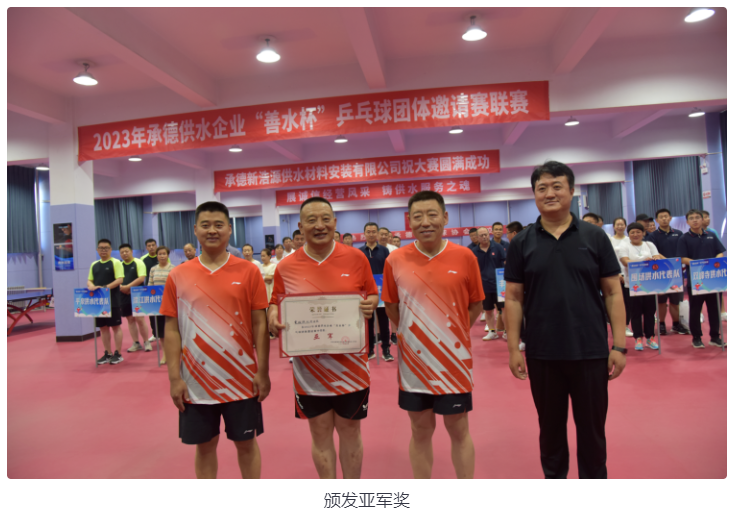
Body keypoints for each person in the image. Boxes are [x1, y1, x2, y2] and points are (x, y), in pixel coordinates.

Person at [504, 161, 626, 479]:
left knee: (593, 433)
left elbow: (613, 292)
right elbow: (513, 298)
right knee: (550, 432)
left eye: (557, 186)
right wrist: (514, 348)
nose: (550, 193)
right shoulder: (521, 242)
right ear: (534, 194)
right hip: (543, 353)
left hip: (590, 351)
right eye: (542, 188)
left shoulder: (595, 236)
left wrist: (619, 346)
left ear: (572, 191)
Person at [268, 197, 378, 479]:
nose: (319, 225)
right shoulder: (286, 266)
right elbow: (275, 302)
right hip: (309, 371)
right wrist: (272, 314)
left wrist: (370, 304)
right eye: (311, 220)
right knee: (319, 432)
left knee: (350, 430)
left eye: (325, 219)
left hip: (351, 367)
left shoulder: (356, 258)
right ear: (300, 226)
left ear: (335, 223)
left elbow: (372, 294)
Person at [160, 201, 270, 479]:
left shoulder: (249, 271)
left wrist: (263, 371)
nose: (212, 230)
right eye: (205, 225)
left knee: (246, 444)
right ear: (195, 229)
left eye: (219, 225)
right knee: (205, 447)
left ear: (229, 230)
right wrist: (174, 378)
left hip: (242, 380)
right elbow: (171, 329)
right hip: (196, 382)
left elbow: (260, 324)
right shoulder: (178, 274)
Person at [382, 190, 483, 479]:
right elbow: (391, 307)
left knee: (459, 429)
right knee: (420, 429)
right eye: (418, 216)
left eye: (432, 214)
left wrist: (452, 333)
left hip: (454, 363)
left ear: (445, 217)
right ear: (409, 222)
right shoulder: (395, 260)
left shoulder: (465, 256)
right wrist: (416, 334)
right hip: (413, 365)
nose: (425, 222)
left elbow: (475, 304)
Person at [677, 209, 726, 348]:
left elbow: (720, 253)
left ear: (702, 219)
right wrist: (699, 264)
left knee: (714, 309)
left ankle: (715, 337)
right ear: (687, 222)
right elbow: (682, 258)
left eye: (697, 217)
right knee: (695, 310)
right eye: (692, 218)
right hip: (696, 280)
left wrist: (714, 262)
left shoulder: (711, 235)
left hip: (713, 279)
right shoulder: (684, 238)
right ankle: (696, 338)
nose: (695, 220)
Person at [618, 223, 662, 351]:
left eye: (638, 232)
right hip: (632, 285)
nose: (635, 234)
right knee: (635, 313)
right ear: (629, 234)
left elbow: (657, 258)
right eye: (632, 232)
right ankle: (638, 338)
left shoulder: (649, 245)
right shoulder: (624, 246)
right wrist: (644, 261)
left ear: (643, 233)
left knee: (650, 312)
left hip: (649, 284)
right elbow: (625, 262)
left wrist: (653, 259)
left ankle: (650, 337)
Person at [649, 209, 689, 335]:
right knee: (661, 301)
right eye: (661, 217)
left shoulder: (679, 233)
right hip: (660, 272)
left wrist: (675, 263)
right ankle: (661, 324)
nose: (664, 219)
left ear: (670, 218)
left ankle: (676, 324)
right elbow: (654, 252)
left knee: (675, 301)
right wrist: (668, 262)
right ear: (657, 220)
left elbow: (682, 250)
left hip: (676, 271)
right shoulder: (653, 235)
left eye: (666, 216)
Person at [359, 222, 394, 361]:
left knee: (384, 321)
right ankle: (370, 350)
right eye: (368, 231)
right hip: (366, 292)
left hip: (381, 291)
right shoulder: (359, 251)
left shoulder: (384, 251)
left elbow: (389, 270)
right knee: (368, 322)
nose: (371, 234)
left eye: (374, 231)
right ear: (364, 234)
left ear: (377, 234)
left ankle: (386, 349)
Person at [88, 239, 125, 365]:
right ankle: (108, 353)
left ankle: (118, 354)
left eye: (106, 248)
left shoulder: (116, 262)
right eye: (101, 248)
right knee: (103, 328)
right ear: (97, 250)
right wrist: (91, 286)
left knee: (115, 327)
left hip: (113, 301)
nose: (103, 250)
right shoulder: (94, 264)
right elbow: (90, 280)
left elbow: (120, 280)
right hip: (99, 302)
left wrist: (105, 288)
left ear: (110, 249)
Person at [118, 243, 152, 353]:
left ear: (131, 252)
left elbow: (141, 278)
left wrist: (128, 287)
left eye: (126, 251)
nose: (124, 254)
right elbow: (116, 279)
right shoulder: (119, 265)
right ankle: (136, 343)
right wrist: (122, 288)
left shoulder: (138, 262)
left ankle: (146, 342)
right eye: (122, 252)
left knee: (140, 319)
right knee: (130, 319)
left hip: (137, 295)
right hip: (123, 295)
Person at [472, 227, 505, 341]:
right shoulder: (474, 252)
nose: (484, 237)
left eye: (486, 234)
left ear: (489, 234)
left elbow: (505, 263)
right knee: (488, 310)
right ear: (477, 237)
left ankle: (507, 331)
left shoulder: (498, 247)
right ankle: (492, 332)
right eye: (481, 235)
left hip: (500, 285)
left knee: (504, 309)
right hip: (484, 286)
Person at [148, 246, 175, 365]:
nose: (162, 256)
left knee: (171, 329)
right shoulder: (153, 269)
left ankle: (174, 354)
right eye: (160, 254)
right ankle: (165, 354)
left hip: (170, 303)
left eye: (164, 254)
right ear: (157, 256)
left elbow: (175, 286)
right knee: (161, 331)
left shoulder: (173, 269)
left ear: (168, 255)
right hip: (157, 306)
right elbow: (150, 286)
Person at [608, 217, 633, 337]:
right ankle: (615, 326)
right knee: (616, 302)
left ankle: (626, 326)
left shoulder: (629, 240)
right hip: (614, 274)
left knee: (627, 302)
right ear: (614, 227)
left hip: (628, 274)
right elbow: (609, 258)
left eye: (622, 224)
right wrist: (616, 272)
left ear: (625, 226)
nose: (620, 226)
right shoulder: (610, 240)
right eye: (617, 224)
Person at [701, 210, 726, 321]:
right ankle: (700, 314)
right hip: (700, 267)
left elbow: (718, 248)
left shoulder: (713, 232)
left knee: (718, 290)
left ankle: (722, 312)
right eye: (705, 217)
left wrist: (716, 261)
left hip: (714, 266)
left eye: (708, 217)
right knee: (699, 291)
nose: (708, 219)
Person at [141, 238, 159, 343]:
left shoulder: (161, 256)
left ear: (156, 246)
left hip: (161, 289)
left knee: (163, 313)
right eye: (149, 246)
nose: (151, 247)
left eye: (153, 245)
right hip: (149, 289)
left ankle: (163, 333)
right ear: (146, 247)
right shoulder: (143, 259)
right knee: (152, 313)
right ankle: (155, 334)